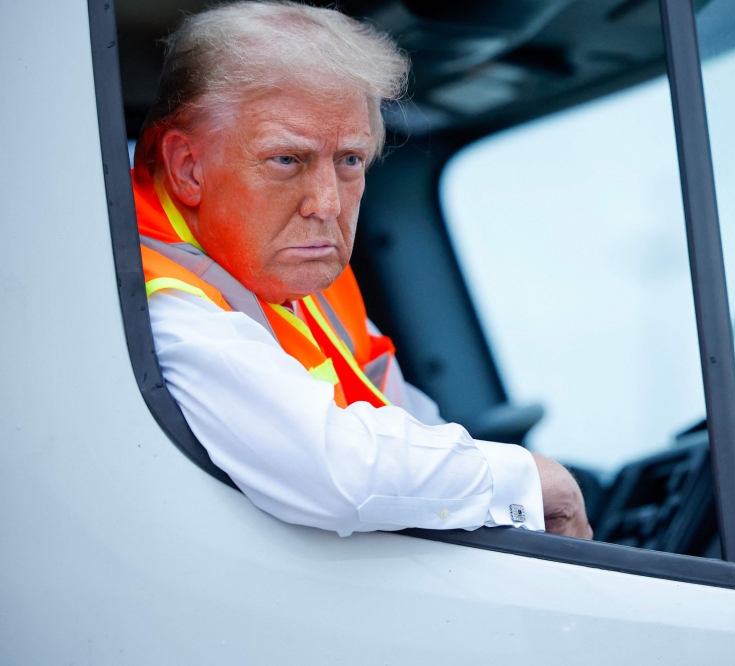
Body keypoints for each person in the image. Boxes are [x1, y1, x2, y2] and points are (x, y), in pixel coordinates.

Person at [131, 1, 592, 539]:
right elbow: (338, 476)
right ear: (189, 168)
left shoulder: (304, 283)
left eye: (349, 160)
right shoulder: (156, 301)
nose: (326, 203)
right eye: (287, 160)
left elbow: (415, 427)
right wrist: (530, 482)